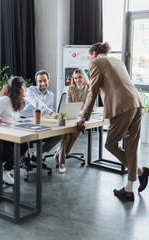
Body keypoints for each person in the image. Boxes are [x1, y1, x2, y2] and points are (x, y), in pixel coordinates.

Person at [77, 42, 149, 202]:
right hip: (137, 103)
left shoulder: (96, 62)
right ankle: (130, 189)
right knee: (131, 145)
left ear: (94, 53)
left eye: (88, 56)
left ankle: (141, 172)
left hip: (123, 106)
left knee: (110, 144)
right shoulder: (117, 61)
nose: (88, 60)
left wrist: (83, 118)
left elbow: (92, 91)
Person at [0, 77, 28, 185]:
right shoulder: (4, 100)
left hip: (6, 135)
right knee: (8, 152)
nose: (26, 89)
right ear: (18, 89)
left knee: (23, 146)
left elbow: (13, 119)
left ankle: (4, 170)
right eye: (24, 87)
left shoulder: (17, 102)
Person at [20, 70, 62, 170]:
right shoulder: (30, 91)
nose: (42, 83)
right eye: (39, 81)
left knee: (61, 134)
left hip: (41, 122)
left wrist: (54, 115)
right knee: (26, 132)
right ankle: (25, 159)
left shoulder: (50, 95)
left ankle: (37, 154)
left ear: (48, 80)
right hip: (25, 119)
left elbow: (49, 109)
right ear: (36, 82)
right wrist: (51, 113)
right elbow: (37, 104)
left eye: (44, 80)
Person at [54, 69, 90, 173]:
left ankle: (60, 153)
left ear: (83, 77)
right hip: (71, 117)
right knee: (67, 135)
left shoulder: (89, 89)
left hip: (82, 117)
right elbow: (68, 104)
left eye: (79, 77)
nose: (77, 79)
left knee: (76, 132)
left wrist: (83, 113)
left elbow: (92, 105)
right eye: (75, 78)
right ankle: (62, 162)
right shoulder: (70, 88)